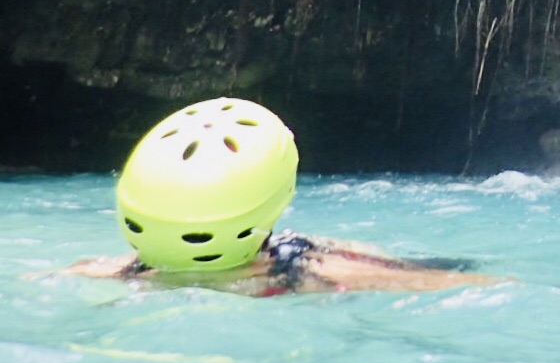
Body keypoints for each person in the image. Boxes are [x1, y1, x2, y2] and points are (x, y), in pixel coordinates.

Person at [60, 98, 496, 296]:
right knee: (447, 267)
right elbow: (465, 288)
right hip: (288, 265)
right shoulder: (310, 272)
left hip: (172, 272)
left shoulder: (109, 271)